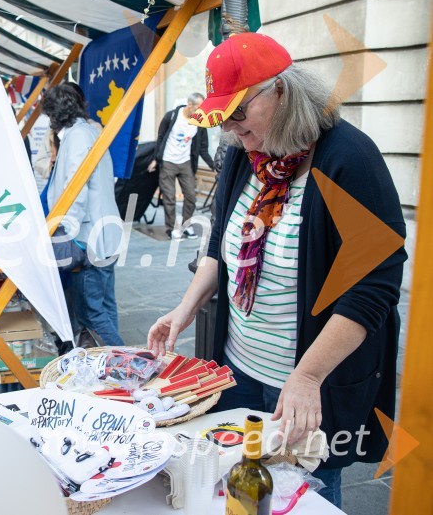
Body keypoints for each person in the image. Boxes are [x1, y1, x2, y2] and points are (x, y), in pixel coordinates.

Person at [147, 32, 406, 507]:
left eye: (240, 114)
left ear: (282, 91)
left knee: (306, 495)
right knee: (237, 491)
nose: (232, 130)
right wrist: (183, 311)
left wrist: (307, 377)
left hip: (308, 379)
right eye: (224, 119)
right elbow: (219, 249)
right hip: (240, 368)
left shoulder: (349, 158)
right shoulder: (246, 157)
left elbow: (374, 285)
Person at [41, 83, 123, 346]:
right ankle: (117, 366)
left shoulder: (77, 136)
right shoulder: (86, 131)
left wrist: (67, 231)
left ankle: (127, 365)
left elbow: (75, 188)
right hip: (102, 235)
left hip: (87, 237)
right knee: (106, 308)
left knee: (93, 313)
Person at [148, 93, 212, 239]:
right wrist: (156, 159)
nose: (200, 111)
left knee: (191, 196)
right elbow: (160, 138)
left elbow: (203, 148)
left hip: (185, 163)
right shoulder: (171, 116)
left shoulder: (199, 122)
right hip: (168, 161)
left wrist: (213, 165)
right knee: (169, 197)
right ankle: (171, 228)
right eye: (198, 108)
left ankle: (186, 225)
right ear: (189, 104)